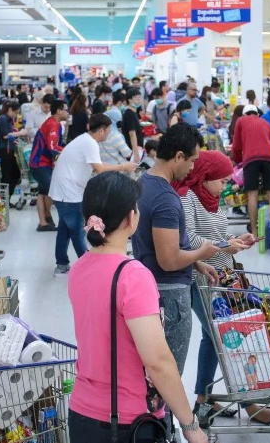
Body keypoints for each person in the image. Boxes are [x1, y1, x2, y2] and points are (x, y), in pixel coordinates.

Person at [66, 172, 208, 443]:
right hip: (126, 422)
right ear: (130, 218)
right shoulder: (133, 275)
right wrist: (190, 425)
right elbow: (158, 362)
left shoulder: (79, 267)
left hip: (81, 414)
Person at [174, 150, 270, 427]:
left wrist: (236, 239)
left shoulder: (211, 199)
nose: (224, 187)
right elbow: (187, 238)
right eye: (221, 180)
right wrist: (225, 246)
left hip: (223, 279)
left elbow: (216, 235)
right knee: (225, 336)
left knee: (214, 337)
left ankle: (204, 400)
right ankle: (247, 404)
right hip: (201, 279)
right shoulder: (188, 197)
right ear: (205, 175)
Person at [132, 124, 219, 378]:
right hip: (170, 297)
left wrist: (195, 263)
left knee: (152, 374)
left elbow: (161, 244)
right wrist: (201, 253)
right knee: (168, 377)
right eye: (191, 160)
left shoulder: (144, 182)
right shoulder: (165, 198)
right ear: (179, 156)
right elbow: (169, 260)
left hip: (149, 286)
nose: (192, 168)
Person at [49, 114, 136, 275]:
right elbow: (100, 169)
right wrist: (123, 167)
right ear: (102, 130)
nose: (109, 133)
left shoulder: (86, 140)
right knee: (77, 231)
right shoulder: (90, 143)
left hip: (64, 191)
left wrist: (122, 165)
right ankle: (89, 268)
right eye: (108, 130)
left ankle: (61, 264)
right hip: (68, 193)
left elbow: (99, 163)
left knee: (65, 229)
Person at [231, 105, 270, 235]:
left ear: (244, 114)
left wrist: (238, 161)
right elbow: (267, 141)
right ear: (257, 114)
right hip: (269, 158)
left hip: (251, 158)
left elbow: (236, 145)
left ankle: (254, 231)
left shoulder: (241, 120)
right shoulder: (266, 124)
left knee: (252, 194)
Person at [29, 99, 67, 232]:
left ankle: (44, 221)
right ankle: (56, 219)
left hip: (42, 163)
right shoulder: (52, 125)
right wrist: (68, 151)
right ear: (59, 111)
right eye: (65, 110)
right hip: (40, 163)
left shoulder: (57, 124)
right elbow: (52, 147)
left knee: (43, 192)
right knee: (53, 191)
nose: (67, 112)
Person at [0, 100, 27, 196]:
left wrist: (15, 140)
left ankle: (6, 197)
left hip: (9, 150)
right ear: (10, 109)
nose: (16, 115)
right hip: (4, 151)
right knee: (7, 176)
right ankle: (5, 198)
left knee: (14, 174)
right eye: (15, 112)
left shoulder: (7, 119)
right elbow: (6, 135)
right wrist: (20, 133)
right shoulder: (3, 119)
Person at [123, 88, 145, 161]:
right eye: (136, 97)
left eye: (139, 97)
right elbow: (132, 134)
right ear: (129, 100)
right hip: (133, 149)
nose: (139, 99)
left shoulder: (133, 112)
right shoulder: (129, 113)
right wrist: (136, 153)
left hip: (138, 147)